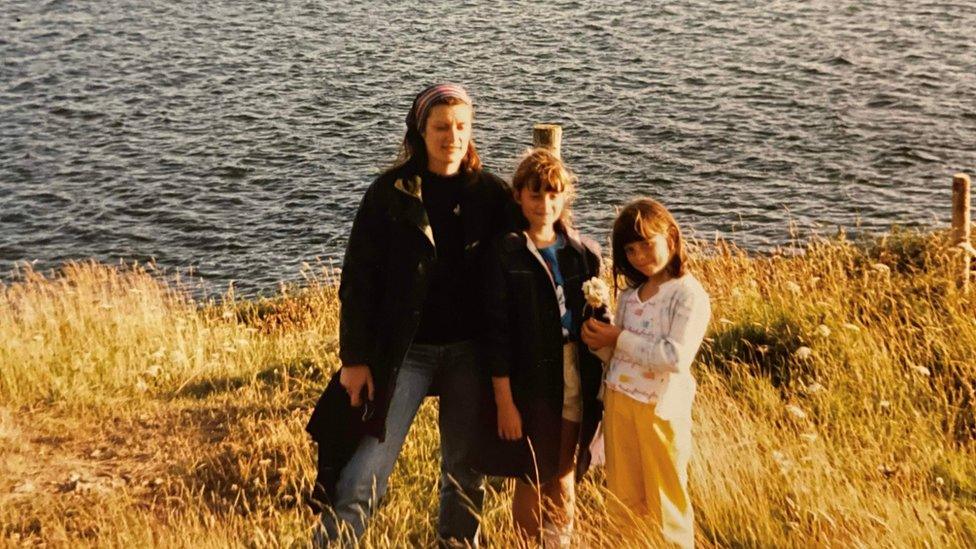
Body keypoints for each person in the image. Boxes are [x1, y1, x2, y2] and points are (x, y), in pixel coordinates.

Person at [305, 83, 514, 547]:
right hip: (406, 353)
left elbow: (527, 262)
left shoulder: (493, 196)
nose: (452, 137)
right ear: (420, 131)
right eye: (441, 127)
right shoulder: (389, 194)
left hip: (468, 354)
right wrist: (354, 361)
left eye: (462, 127)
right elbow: (357, 281)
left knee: (464, 471)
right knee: (366, 471)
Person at [476, 148, 604, 547]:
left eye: (553, 195)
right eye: (535, 195)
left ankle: (558, 542)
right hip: (529, 379)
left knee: (565, 472)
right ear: (518, 197)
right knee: (532, 473)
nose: (544, 205)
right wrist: (504, 402)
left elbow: (598, 320)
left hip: (574, 374)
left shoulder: (584, 253)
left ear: (565, 196)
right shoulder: (505, 252)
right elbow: (495, 333)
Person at [581, 198, 711, 548]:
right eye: (630, 250)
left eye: (646, 244)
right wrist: (597, 340)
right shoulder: (630, 295)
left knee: (665, 496)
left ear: (670, 236)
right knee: (623, 496)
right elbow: (616, 355)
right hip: (619, 401)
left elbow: (675, 357)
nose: (640, 256)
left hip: (660, 410)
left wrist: (618, 337)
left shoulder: (687, 294)